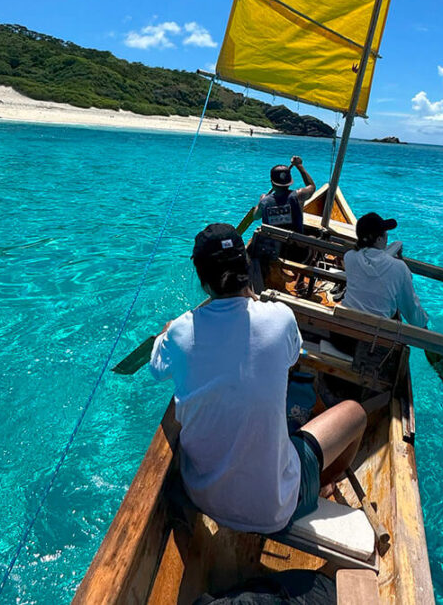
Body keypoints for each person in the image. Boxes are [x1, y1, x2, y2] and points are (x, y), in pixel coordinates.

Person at [150, 223, 366, 533]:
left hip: (201, 495)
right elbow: (292, 360)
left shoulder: (182, 331)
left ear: (202, 280)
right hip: (272, 511)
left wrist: (168, 330)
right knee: (354, 413)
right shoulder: (280, 317)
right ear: (247, 266)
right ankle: (320, 486)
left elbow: (156, 367)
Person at [342, 212, 428, 328]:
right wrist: (423, 326)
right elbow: (411, 310)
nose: (387, 235)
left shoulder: (350, 257)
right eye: (385, 233)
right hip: (375, 335)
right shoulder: (399, 268)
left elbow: (373, 258)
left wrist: (394, 248)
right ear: (378, 239)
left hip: (343, 327)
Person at [253, 155, 316, 233]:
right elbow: (311, 186)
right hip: (293, 242)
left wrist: (260, 201)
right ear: (290, 182)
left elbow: (255, 216)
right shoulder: (299, 195)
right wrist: (299, 166)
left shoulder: (264, 201)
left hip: (271, 242)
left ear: (272, 182)